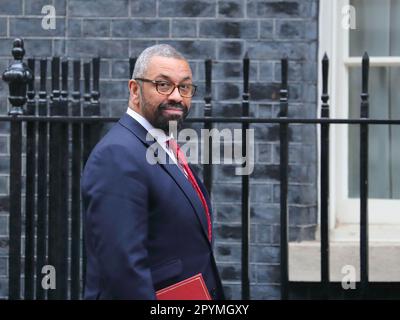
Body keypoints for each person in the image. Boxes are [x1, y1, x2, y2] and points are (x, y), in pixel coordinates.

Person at [81, 44, 225, 300]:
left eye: (185, 87)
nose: (177, 97)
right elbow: (123, 269)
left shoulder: (160, 144)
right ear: (135, 90)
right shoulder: (117, 154)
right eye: (163, 85)